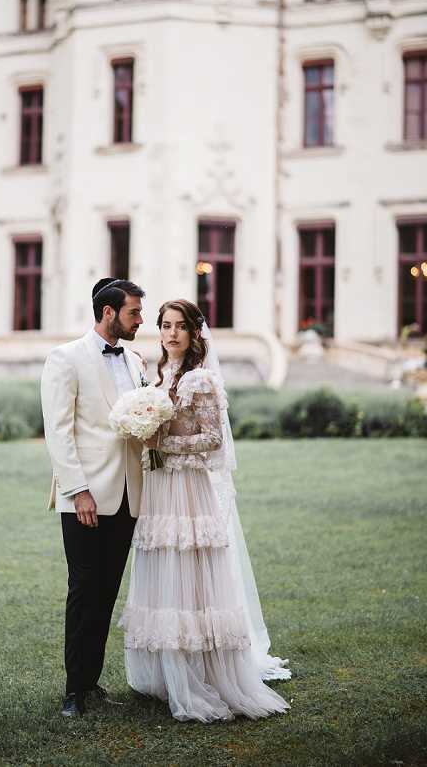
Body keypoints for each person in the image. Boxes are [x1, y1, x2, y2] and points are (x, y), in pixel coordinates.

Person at [119, 299, 291, 722]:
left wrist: (163, 444)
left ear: (196, 333)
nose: (171, 333)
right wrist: (143, 431)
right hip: (160, 489)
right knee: (164, 571)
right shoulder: (157, 376)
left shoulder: (202, 380)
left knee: (190, 573)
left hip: (188, 488)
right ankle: (166, 673)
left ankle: (203, 673)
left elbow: (212, 439)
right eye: (165, 326)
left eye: (180, 326)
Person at [40, 278, 147, 718]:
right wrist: (78, 490)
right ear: (108, 313)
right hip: (84, 497)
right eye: (134, 313)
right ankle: (73, 690)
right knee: (83, 589)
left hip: (127, 497)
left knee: (106, 592)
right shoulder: (65, 358)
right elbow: (59, 430)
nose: (141, 320)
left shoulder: (137, 361)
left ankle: (91, 679)